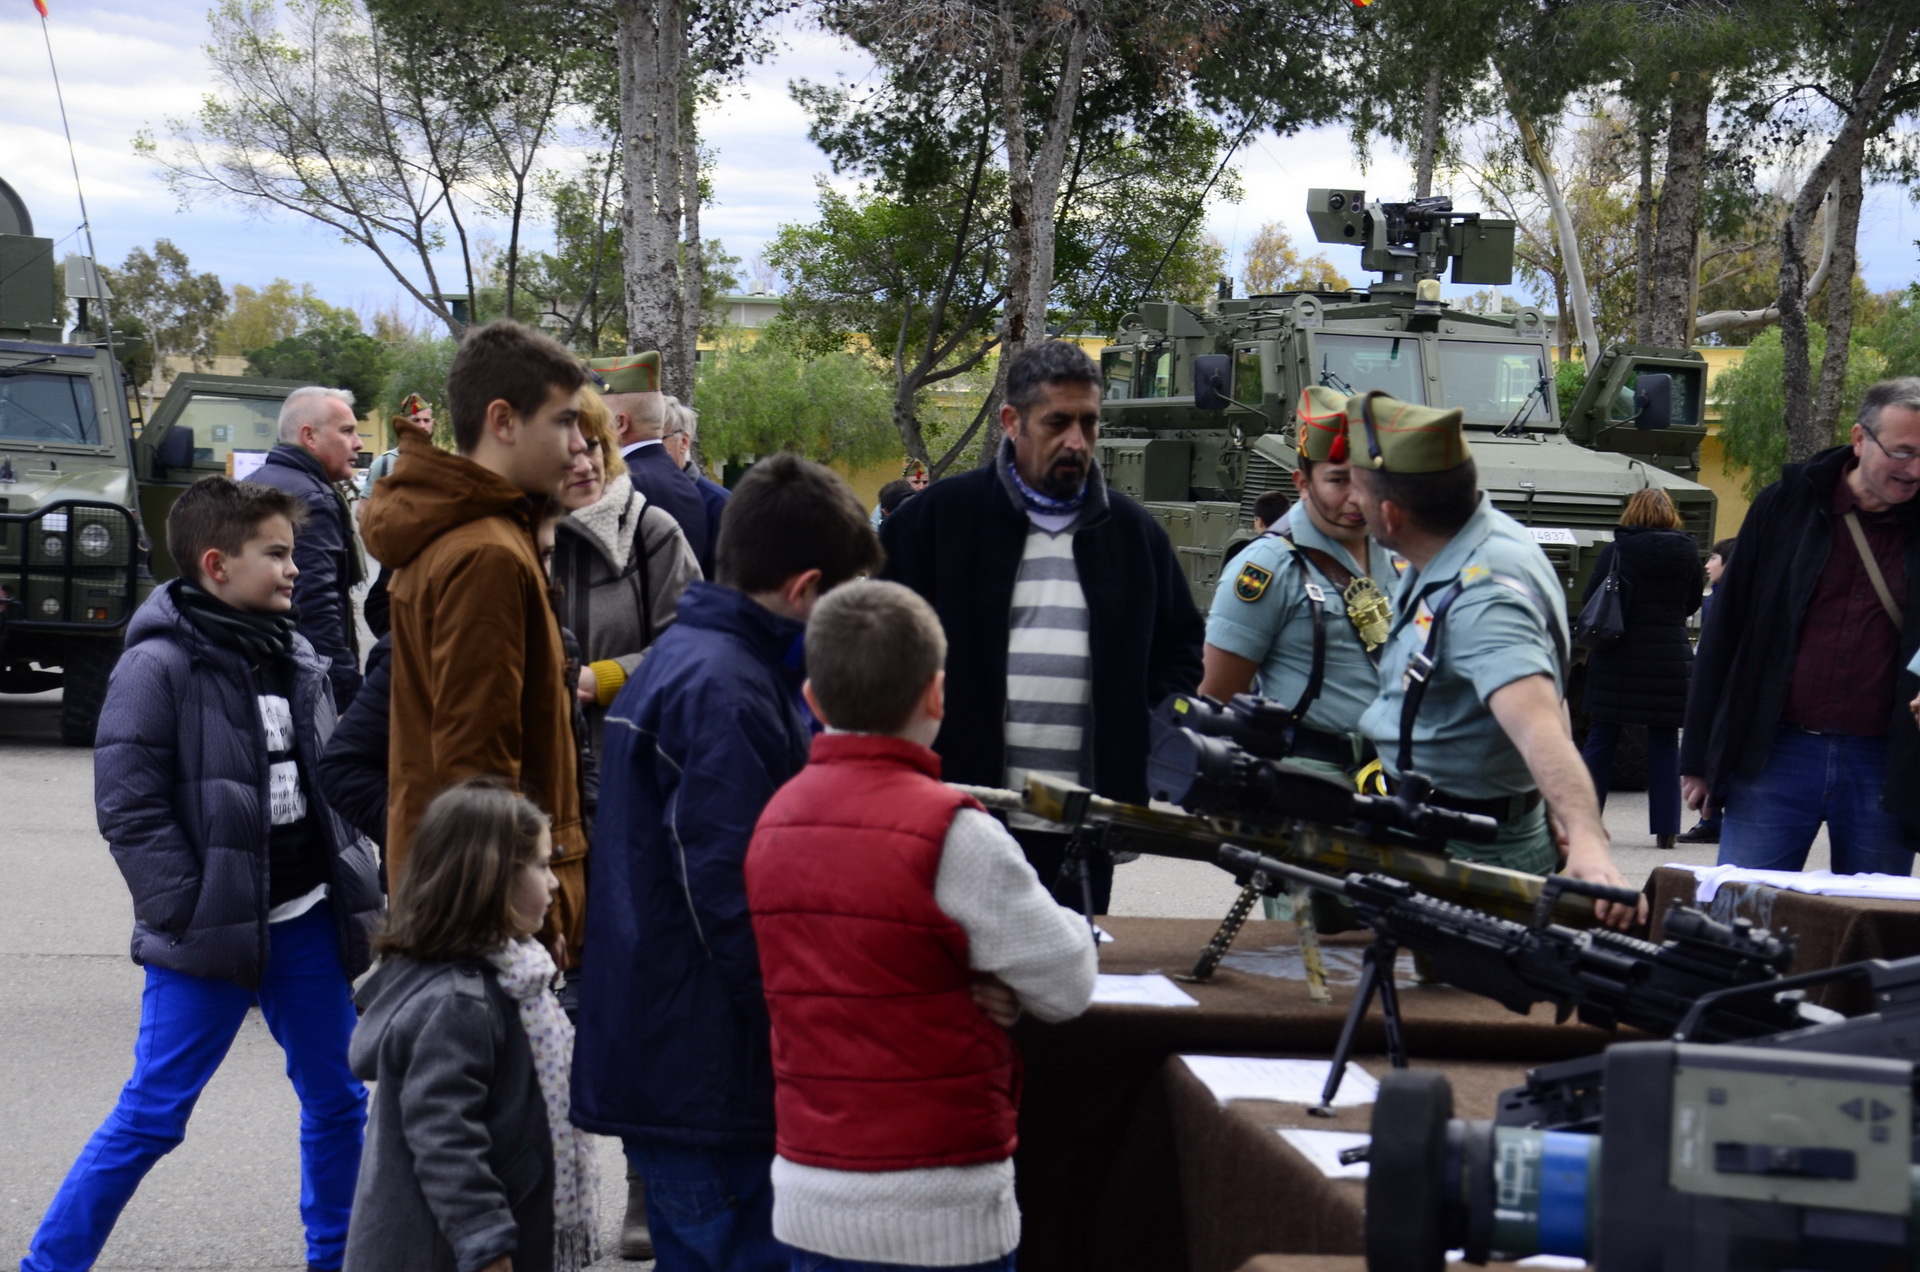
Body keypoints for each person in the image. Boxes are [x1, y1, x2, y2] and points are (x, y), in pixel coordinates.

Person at [22, 477, 383, 1272]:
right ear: (217, 565)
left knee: (337, 1102)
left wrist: (358, 874)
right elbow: (129, 806)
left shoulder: (295, 653)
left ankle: (335, 1259)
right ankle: (51, 1264)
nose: (295, 568)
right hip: (207, 937)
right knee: (153, 1116)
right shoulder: (157, 665)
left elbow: (331, 783)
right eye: (276, 554)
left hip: (308, 924)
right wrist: (186, 908)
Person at [573, 454, 883, 1272]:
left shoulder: (707, 661)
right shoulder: (726, 689)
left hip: (688, 1061)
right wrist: (814, 1034)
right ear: (807, 590)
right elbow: (740, 900)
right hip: (712, 1076)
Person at [745, 580, 1096, 1272]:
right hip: (942, 1200)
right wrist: (989, 977)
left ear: (813, 700)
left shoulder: (775, 821)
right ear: (936, 695)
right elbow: (1068, 983)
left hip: (810, 1190)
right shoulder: (956, 835)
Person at [880, 340, 1204, 914]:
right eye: (1058, 422)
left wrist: (1146, 733)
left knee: (1077, 972)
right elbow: (879, 655)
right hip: (961, 821)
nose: (1077, 440)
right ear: (1012, 422)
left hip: (1086, 832)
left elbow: (1180, 650)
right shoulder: (934, 524)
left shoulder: (1135, 536)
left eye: (1089, 422)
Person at [1343, 390, 1639, 929]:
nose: (1352, 503)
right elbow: (1545, 692)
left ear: (1389, 513)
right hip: (1443, 829)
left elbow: (1538, 723)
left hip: (1468, 856)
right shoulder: (1474, 543)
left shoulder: (1484, 599)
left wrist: (1587, 842)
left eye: (1358, 491)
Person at [358, 320, 590, 969]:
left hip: (464, 901)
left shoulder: (485, 535)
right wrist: (531, 917)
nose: (579, 445)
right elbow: (479, 773)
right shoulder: (486, 552)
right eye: (564, 421)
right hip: (483, 917)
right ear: (503, 421)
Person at [344, 779, 596, 1272]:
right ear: (491, 880)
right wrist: (485, 1242)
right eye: (542, 866)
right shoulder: (460, 1003)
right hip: (443, 1250)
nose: (554, 883)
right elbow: (444, 1137)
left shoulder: (516, 973)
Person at [1683, 378, 1920, 876]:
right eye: (1902, 452)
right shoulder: (1785, 506)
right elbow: (1726, 632)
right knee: (1743, 909)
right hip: (1775, 753)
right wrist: (1699, 757)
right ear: (1860, 439)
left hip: (1885, 762)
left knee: (1873, 919)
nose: (1915, 469)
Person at [1199, 386, 1397, 776]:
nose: (1358, 497)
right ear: (1302, 483)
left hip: (1395, 778)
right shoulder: (1267, 568)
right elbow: (1215, 701)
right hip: (1308, 779)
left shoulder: (1399, 555)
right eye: (1338, 480)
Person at [553, 387, 700, 743]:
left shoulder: (651, 531)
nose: (585, 465)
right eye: (567, 454)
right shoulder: (510, 541)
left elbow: (697, 643)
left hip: (630, 760)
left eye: (592, 446)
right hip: (535, 767)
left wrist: (608, 678)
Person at [1577, 488, 1702, 850]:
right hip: (1668, 657)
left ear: (1632, 512)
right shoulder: (1687, 553)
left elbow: (1591, 597)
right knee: (1664, 740)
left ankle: (1585, 822)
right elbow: (1692, 601)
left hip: (1618, 654)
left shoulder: (1617, 550)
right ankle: (1666, 828)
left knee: (1603, 736)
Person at [251, 385, 366, 711]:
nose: (358, 443)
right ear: (310, 437)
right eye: (347, 431)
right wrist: (344, 692)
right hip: (299, 680)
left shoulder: (257, 480)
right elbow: (314, 604)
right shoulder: (313, 498)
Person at [590, 351, 714, 575]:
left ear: (620, 424)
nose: (588, 427)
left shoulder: (619, 483)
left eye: (595, 418)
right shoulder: (688, 486)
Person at [1678, 536, 1738, 845]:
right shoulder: (1717, 598)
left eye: (1713, 558)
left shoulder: (1722, 602)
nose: (1707, 565)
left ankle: (1710, 817)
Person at [662, 394, 730, 537]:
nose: (648, 450)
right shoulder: (634, 495)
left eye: (658, 441)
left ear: (684, 442)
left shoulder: (719, 503)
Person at [364, 393, 435, 493]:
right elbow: (365, 502)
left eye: (426, 420)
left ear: (432, 423)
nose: (422, 426)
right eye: (416, 420)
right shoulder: (383, 464)